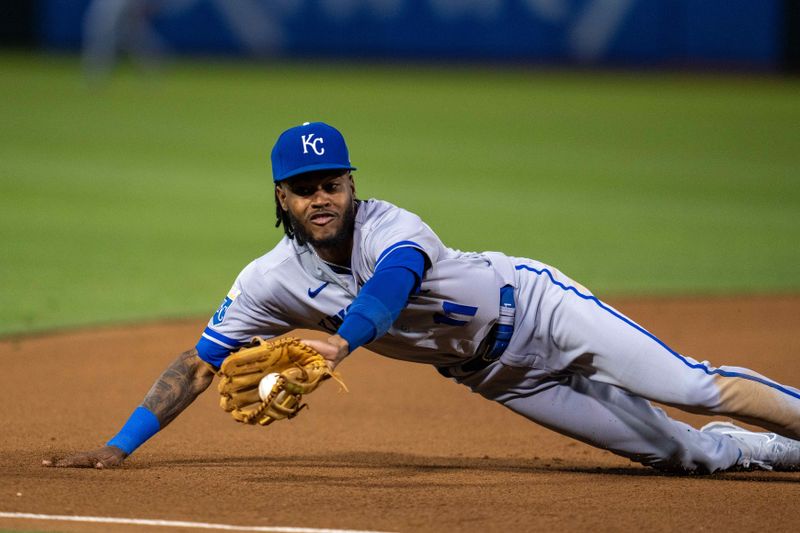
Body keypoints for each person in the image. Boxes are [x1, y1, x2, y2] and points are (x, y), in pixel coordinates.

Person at [44, 122, 800, 472]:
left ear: (351, 183)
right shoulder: (265, 282)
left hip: (539, 308)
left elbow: (392, 283)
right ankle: (775, 453)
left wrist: (340, 342)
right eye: (303, 188)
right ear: (280, 195)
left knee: (694, 385)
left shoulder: (391, 226)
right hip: (501, 375)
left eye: (332, 182)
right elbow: (201, 361)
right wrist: (120, 446)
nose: (321, 197)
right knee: (682, 454)